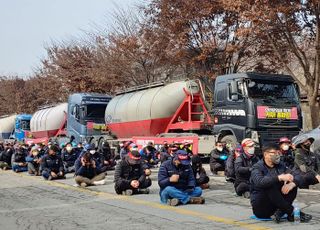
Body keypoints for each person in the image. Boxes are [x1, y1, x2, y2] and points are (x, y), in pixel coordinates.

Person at [250, 144, 312, 223]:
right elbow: (260, 182)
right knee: (269, 184)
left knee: (292, 184)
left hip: (277, 206)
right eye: (274, 153)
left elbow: (297, 175)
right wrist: (279, 178)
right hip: (262, 207)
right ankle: (291, 212)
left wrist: (293, 183)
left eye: (278, 153)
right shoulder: (257, 167)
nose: (277, 155)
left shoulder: (280, 165)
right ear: (265, 154)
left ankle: (281, 212)